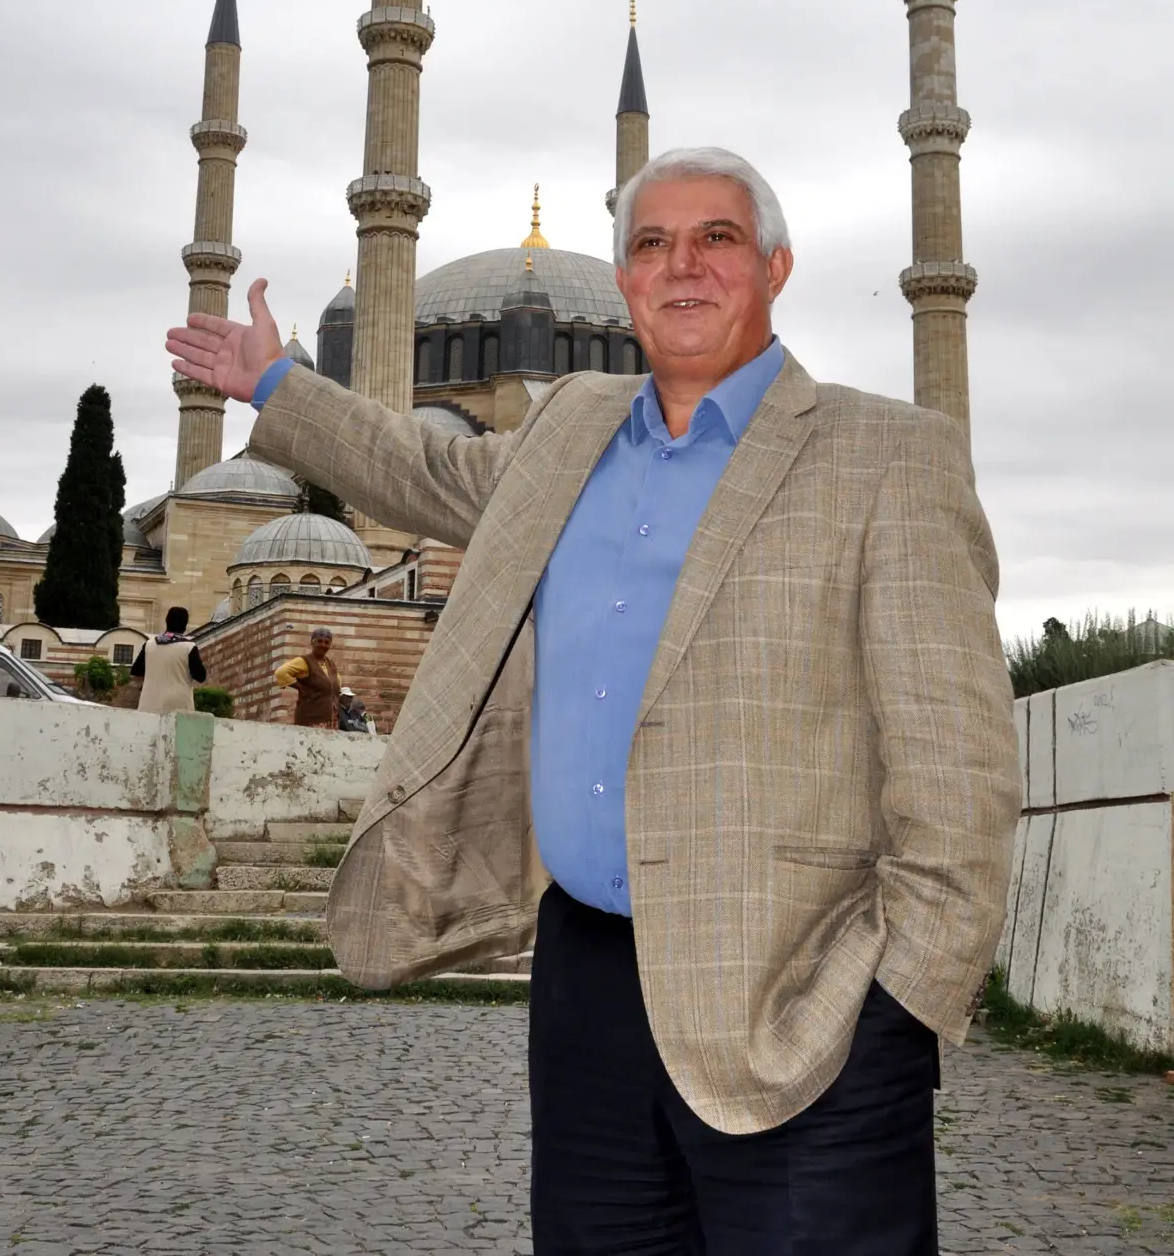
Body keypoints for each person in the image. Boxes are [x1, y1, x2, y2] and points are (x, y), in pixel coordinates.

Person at [167, 146, 1022, 1255]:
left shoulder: (888, 456)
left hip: (802, 989)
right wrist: (276, 383)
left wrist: (898, 1006)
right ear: (622, 282)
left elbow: (961, 768)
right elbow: (427, 473)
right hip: (589, 980)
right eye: (652, 242)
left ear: (776, 264)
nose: (683, 266)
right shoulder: (573, 425)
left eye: (716, 238)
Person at [129, 606, 207, 715]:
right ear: (185, 625)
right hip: (179, 708)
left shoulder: (149, 645)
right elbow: (201, 676)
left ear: (166, 621)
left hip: (149, 706)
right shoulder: (188, 647)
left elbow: (136, 671)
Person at [274, 627, 342, 728]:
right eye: (319, 641)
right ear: (312, 642)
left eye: (326, 642)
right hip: (311, 721)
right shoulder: (305, 661)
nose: (323, 645)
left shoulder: (331, 664)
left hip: (331, 721)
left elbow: (338, 686)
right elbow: (281, 673)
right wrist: (301, 688)